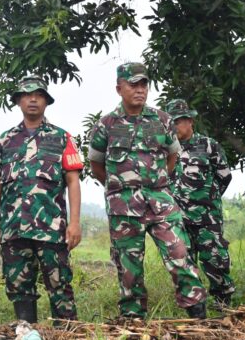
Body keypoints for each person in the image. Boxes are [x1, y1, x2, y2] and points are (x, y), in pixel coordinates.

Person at [88, 63, 208, 319]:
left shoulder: (163, 120)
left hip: (160, 202)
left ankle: (197, 314)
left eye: (144, 84)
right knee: (129, 267)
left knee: (179, 253)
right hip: (124, 206)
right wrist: (120, 189)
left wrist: (156, 182)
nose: (140, 90)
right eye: (133, 84)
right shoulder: (106, 125)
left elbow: (172, 157)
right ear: (119, 88)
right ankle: (133, 319)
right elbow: (96, 166)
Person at [0, 76, 83, 324]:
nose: (32, 99)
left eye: (38, 95)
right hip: (14, 228)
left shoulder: (62, 138)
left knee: (59, 283)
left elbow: (73, 181)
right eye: (27, 95)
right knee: (18, 285)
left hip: (51, 229)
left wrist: (74, 223)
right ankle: (27, 336)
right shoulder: (4, 140)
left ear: (46, 101)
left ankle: (67, 339)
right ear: (18, 101)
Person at [167, 99, 236, 307]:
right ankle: (194, 303)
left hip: (207, 217)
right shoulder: (165, 150)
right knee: (183, 261)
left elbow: (224, 176)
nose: (175, 126)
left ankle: (223, 299)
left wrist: (208, 198)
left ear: (190, 121)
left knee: (215, 259)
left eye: (179, 121)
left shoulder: (208, 145)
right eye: (171, 122)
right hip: (177, 217)